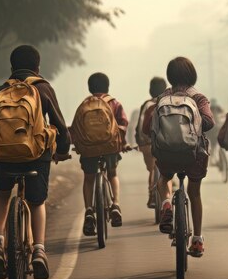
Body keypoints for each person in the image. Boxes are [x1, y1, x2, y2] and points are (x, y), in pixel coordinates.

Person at [0, 45, 71, 279]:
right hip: (35, 157)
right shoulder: (43, 88)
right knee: (37, 201)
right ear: (37, 67)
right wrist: (62, 150)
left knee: (2, 193)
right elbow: (59, 125)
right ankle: (39, 251)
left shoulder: (0, 90)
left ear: (12, 67)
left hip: (4, 157)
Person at [142, 57, 214, 257]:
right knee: (195, 193)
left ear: (170, 77)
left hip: (167, 154)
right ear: (192, 75)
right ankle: (197, 240)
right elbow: (209, 122)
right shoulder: (198, 98)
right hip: (193, 154)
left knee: (163, 178)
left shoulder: (162, 98)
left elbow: (147, 127)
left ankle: (166, 203)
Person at [80, 73, 131, 235]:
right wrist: (122, 143)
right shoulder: (114, 103)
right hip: (110, 148)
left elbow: (77, 128)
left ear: (89, 88)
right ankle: (115, 204)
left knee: (89, 178)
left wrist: (79, 145)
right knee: (112, 174)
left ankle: (89, 210)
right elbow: (123, 124)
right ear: (107, 87)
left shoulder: (84, 105)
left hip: (89, 149)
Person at [135, 77, 168, 208]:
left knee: (152, 169)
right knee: (167, 169)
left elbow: (139, 127)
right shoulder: (169, 102)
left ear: (150, 90)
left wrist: (140, 141)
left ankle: (152, 195)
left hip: (148, 144)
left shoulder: (146, 105)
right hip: (166, 143)